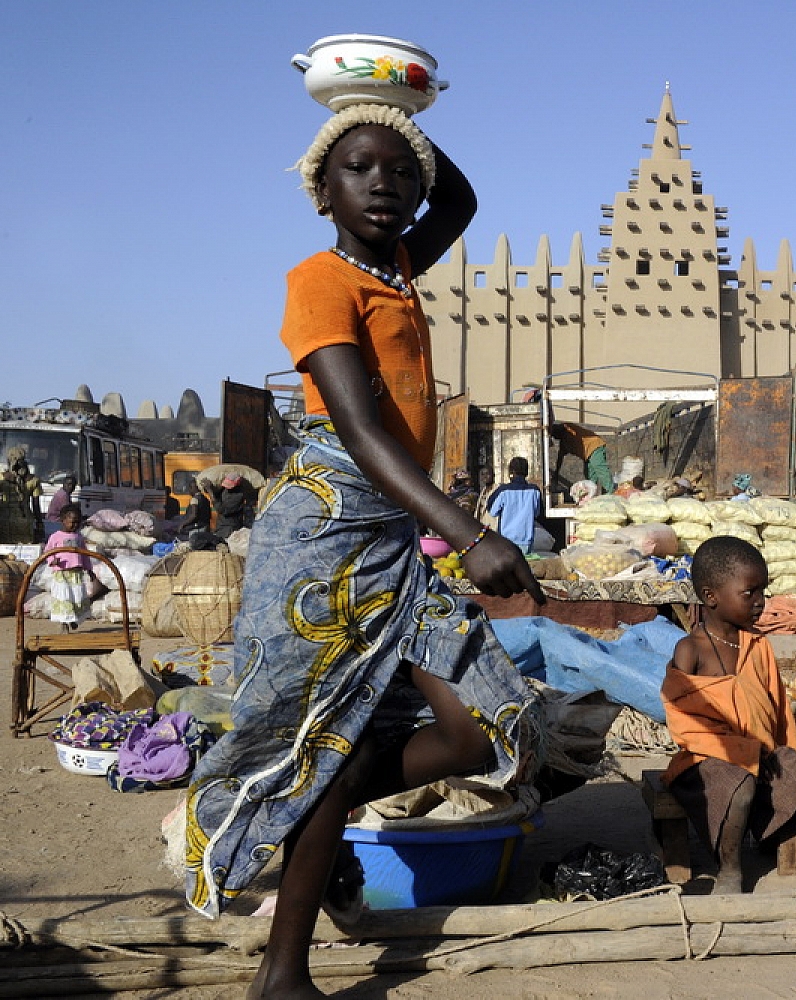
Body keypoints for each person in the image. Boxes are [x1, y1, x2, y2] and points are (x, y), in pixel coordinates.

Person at [182, 104, 544, 999]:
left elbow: (458, 195)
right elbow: (359, 428)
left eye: (399, 170)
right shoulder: (320, 279)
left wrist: (395, 104)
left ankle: (316, 801)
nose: (383, 182)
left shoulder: (401, 265)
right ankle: (284, 971)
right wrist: (469, 533)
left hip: (387, 528)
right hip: (327, 530)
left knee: (473, 727)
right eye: (357, 167)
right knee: (318, 738)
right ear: (321, 192)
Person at [660, 536, 796, 895]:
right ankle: (730, 870)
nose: (761, 602)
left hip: (765, 753)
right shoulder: (690, 650)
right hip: (708, 759)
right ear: (711, 595)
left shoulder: (758, 645)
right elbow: (684, 722)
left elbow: (779, 712)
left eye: (763, 591)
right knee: (740, 787)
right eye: (750, 593)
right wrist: (742, 753)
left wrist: (788, 755)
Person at [43, 503, 92, 631]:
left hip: (76, 573)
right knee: (64, 597)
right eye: (72, 522)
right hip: (62, 574)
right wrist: (52, 561)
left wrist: (89, 570)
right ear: (63, 520)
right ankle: (64, 624)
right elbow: (47, 551)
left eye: (77, 523)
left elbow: (85, 555)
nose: (75, 525)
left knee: (76, 597)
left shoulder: (79, 537)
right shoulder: (55, 537)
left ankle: (74, 619)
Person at [487, 456, 543, 553]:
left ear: (511, 472)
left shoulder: (503, 491)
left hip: (506, 541)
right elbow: (537, 513)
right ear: (527, 472)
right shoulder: (534, 491)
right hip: (526, 541)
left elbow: (492, 511)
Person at [549, 421, 614, 493]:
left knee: (601, 470)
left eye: (554, 435)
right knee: (589, 475)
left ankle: (611, 492)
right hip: (587, 454)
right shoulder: (564, 442)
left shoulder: (567, 428)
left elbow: (565, 427)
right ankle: (591, 494)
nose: (555, 437)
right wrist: (556, 473)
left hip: (594, 446)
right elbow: (560, 458)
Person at [212, 473, 257, 538]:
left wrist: (210, 492)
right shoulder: (224, 490)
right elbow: (217, 496)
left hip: (230, 529)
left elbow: (222, 510)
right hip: (220, 527)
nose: (228, 488)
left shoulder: (238, 495)